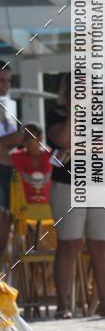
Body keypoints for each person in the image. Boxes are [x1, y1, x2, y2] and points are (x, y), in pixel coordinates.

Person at [47, 73, 105, 318]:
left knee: (103, 245)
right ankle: (63, 306)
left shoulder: (101, 110)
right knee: (69, 244)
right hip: (68, 186)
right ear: (68, 88)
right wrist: (74, 112)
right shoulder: (57, 113)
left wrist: (78, 147)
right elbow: (61, 138)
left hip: (102, 184)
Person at [0, 61, 23, 264]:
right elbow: (14, 138)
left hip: (7, 168)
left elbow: (16, 139)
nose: (5, 85)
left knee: (7, 221)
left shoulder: (8, 106)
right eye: (1, 80)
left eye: (8, 81)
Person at [10, 123, 52, 204]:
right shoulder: (14, 157)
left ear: (40, 138)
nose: (26, 139)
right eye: (23, 136)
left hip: (50, 206)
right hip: (23, 207)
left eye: (30, 136)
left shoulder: (52, 155)